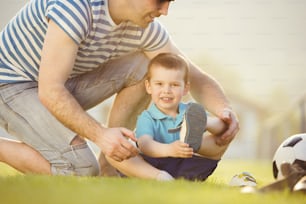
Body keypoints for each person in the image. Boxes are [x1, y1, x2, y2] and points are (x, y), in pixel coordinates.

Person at [0, 0, 239, 179]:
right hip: (11, 85)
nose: (165, 11)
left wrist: (224, 110)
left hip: (57, 84)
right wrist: (101, 135)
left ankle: (110, 165)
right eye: (160, 1)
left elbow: (192, 75)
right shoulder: (75, 8)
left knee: (153, 68)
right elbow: (51, 90)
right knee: (80, 170)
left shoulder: (145, 28)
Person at [110, 53, 229, 181]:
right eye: (160, 84)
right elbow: (145, 144)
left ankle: (195, 135)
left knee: (223, 141)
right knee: (112, 153)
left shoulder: (191, 112)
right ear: (149, 87)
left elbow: (222, 130)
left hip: (186, 163)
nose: (167, 90)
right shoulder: (147, 117)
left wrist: (205, 123)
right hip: (152, 164)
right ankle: (160, 177)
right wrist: (169, 149)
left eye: (174, 85)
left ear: (185, 89)